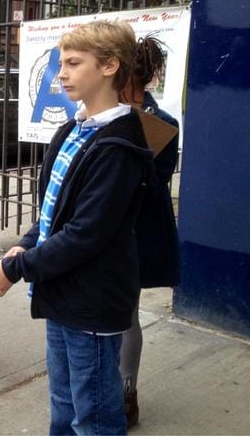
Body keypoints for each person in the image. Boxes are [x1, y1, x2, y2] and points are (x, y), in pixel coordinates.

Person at [0, 20, 154, 435]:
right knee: (63, 403)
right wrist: (26, 244)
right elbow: (54, 212)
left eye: (74, 63)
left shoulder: (118, 148)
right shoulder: (72, 131)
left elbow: (86, 233)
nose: (61, 73)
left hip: (92, 302)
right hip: (62, 294)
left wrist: (14, 270)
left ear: (110, 66)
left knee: (92, 416)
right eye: (61, 63)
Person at [119, 35, 180, 428]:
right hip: (127, 231)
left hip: (130, 232)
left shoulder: (158, 125)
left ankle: (124, 395)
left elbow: (155, 182)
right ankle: (125, 391)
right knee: (126, 314)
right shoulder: (104, 115)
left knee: (122, 314)